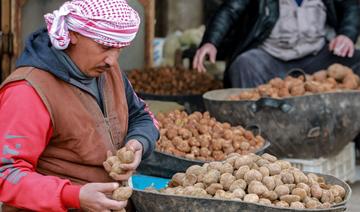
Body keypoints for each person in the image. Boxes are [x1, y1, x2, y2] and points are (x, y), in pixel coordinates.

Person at [0, 0, 159, 211]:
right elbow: (6, 173)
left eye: (119, 49)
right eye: (105, 46)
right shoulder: (28, 91)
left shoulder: (108, 71)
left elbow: (141, 115)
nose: (112, 60)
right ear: (73, 35)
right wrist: (72, 195)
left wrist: (138, 143)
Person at [193, 0, 360, 88]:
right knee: (244, 65)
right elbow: (231, 9)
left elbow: (351, 5)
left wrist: (346, 35)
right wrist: (210, 42)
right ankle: (256, 135)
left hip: (317, 56)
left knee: (356, 60)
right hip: (273, 58)